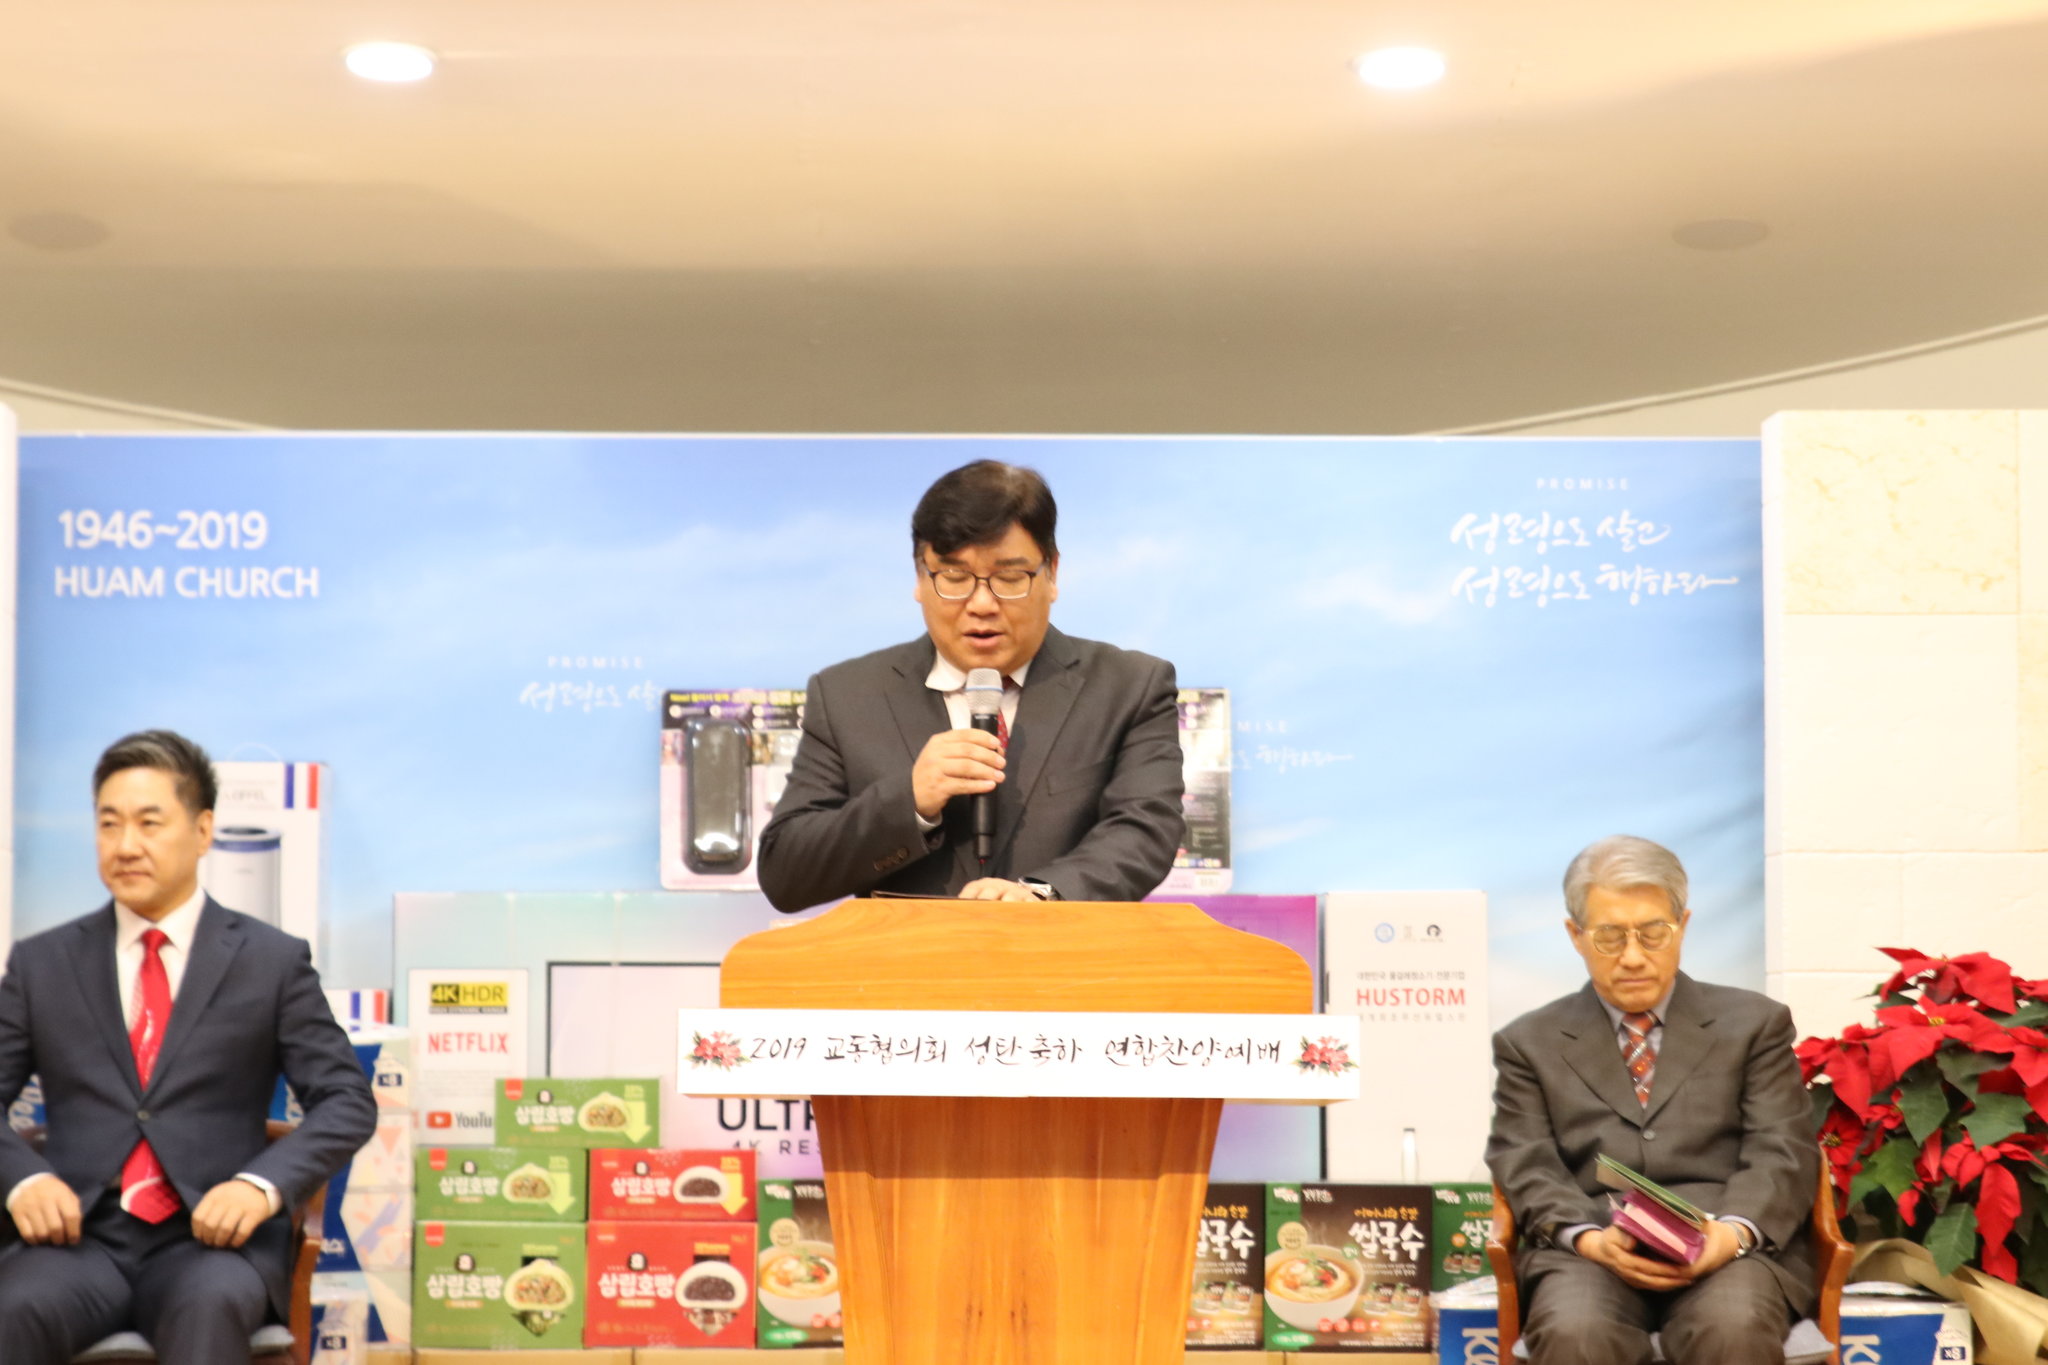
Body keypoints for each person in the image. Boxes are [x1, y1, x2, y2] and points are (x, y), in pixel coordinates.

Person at [0, 730, 377, 1363]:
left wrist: (260, 1186)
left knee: (209, 1309)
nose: (126, 845)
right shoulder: (43, 963)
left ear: (203, 831)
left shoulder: (270, 962)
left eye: (149, 823)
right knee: (12, 1307)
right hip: (76, 1243)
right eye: (109, 824)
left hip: (210, 1246)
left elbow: (347, 1100)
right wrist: (23, 1180)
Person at [759, 459, 1185, 910]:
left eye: (1010, 578)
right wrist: (910, 801)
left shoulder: (1129, 688)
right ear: (920, 578)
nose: (982, 603)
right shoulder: (847, 696)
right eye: (955, 578)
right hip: (909, 955)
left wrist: (1042, 894)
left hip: (1065, 953)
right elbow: (786, 872)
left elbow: (1145, 832)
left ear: (1053, 573)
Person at [1485, 835, 1818, 1365]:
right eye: (1610, 936)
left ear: (1682, 925)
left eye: (1653, 933)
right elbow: (1525, 1159)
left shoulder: (1755, 1025)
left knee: (1732, 1328)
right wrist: (1590, 1240)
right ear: (1575, 936)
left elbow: (1783, 1148)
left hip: (1725, 1243)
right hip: (1594, 1250)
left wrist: (1729, 1235)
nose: (1633, 957)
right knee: (1576, 1333)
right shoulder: (1529, 1043)